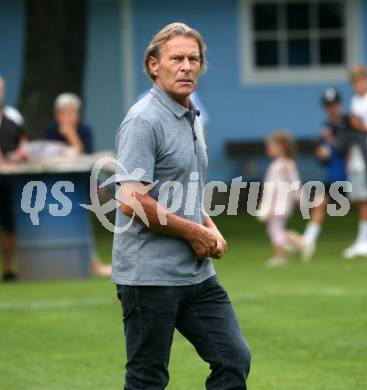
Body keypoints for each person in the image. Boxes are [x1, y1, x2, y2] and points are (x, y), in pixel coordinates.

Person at [113, 22, 251, 389]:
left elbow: (184, 191)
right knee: (148, 378)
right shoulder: (144, 120)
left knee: (233, 359)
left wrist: (209, 227)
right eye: (177, 58)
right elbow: (131, 202)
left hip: (197, 275)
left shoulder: (191, 116)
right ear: (153, 65)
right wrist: (193, 233)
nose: (187, 66)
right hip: (149, 277)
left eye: (194, 59)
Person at [45, 93, 111, 276]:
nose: (70, 117)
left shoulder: (84, 129)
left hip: (82, 182)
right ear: (57, 114)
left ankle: (91, 263)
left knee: (82, 222)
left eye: (74, 112)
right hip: (57, 187)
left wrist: (71, 134)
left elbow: (85, 158)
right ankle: (62, 264)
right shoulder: (51, 131)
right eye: (66, 113)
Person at [296, 88, 348, 260]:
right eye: (328, 105)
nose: (331, 108)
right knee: (320, 203)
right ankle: (308, 240)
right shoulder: (326, 126)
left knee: (364, 206)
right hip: (335, 175)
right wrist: (321, 154)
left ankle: (365, 240)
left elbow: (345, 148)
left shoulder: (347, 123)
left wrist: (330, 142)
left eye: (333, 104)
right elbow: (325, 154)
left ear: (339, 105)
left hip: (351, 173)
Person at [258, 131, 301, 267]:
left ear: (283, 147)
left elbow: (294, 181)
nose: (269, 149)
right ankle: (298, 243)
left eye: (273, 146)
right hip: (273, 202)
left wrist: (297, 197)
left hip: (281, 203)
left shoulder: (287, 164)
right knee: (274, 229)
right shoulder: (276, 164)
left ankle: (280, 256)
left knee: (276, 228)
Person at [343, 66, 367, 258]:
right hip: (359, 157)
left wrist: (358, 125)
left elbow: (362, 128)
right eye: (355, 82)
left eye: (361, 80)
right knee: (361, 199)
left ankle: (364, 241)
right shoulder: (355, 101)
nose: (358, 85)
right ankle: (363, 240)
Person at [0, 76, 25, 281]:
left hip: (7, 181)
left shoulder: (12, 119)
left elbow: (22, 143)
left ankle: (8, 269)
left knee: (9, 225)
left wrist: (19, 154)